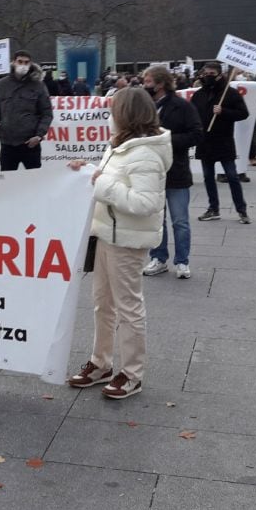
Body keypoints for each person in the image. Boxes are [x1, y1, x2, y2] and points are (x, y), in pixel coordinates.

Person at [66, 87, 171, 399]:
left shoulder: (145, 154)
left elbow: (145, 203)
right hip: (106, 234)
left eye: (114, 110)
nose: (109, 116)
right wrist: (88, 172)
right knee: (103, 302)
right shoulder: (120, 146)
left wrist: (101, 183)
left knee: (128, 307)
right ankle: (101, 362)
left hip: (126, 240)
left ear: (125, 115)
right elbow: (109, 180)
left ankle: (131, 373)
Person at [140, 66, 202, 280]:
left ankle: (182, 261)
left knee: (180, 221)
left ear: (161, 84)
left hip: (176, 171)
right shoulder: (145, 106)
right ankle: (158, 257)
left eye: (148, 82)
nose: (145, 85)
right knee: (156, 220)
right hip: (151, 171)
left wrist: (165, 140)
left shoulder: (182, 106)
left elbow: (196, 134)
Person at [191, 62, 250, 223]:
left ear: (219, 75)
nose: (208, 76)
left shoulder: (230, 93)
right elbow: (192, 115)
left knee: (232, 176)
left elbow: (243, 113)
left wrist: (224, 111)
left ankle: (242, 210)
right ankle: (213, 208)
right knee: (208, 177)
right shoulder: (199, 95)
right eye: (206, 74)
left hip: (224, 141)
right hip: (205, 142)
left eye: (211, 74)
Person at [0, 51, 53, 171]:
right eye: (20, 62)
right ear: (13, 62)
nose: (23, 65)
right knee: (7, 179)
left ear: (30, 64)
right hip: (8, 143)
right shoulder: (1, 85)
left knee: (34, 179)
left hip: (30, 143)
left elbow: (47, 113)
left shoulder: (38, 86)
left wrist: (39, 135)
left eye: (26, 62)